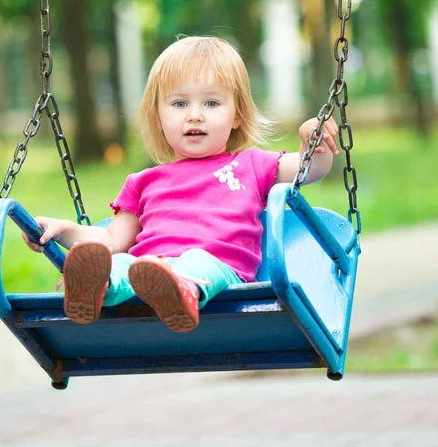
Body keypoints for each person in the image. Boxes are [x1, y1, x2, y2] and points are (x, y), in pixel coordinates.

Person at [23, 36, 339, 333]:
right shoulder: (143, 182)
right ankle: (95, 288)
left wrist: (314, 140)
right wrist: (64, 230)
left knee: (196, 262)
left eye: (212, 104)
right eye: (179, 104)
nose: (195, 116)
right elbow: (110, 239)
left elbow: (308, 170)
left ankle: (181, 292)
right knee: (118, 263)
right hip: (146, 270)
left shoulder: (251, 164)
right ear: (158, 117)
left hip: (219, 272)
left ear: (237, 115)